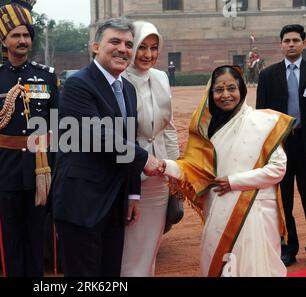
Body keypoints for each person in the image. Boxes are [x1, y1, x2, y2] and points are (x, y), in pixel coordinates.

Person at [157, 65, 293, 276]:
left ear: (242, 90)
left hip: (255, 208)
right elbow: (194, 169)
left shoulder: (263, 122)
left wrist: (234, 181)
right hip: (219, 207)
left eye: (232, 88)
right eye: (219, 90)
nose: (226, 95)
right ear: (211, 93)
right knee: (220, 264)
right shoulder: (206, 128)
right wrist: (164, 166)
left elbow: (278, 169)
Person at [51, 17, 160, 277]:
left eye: (128, 44)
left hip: (115, 202)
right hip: (81, 203)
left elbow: (128, 139)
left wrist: (133, 193)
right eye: (115, 42)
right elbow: (98, 135)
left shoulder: (128, 90)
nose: (123, 49)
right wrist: (146, 160)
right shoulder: (78, 84)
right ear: (96, 46)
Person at [0, 0, 58, 277]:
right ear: (4, 39)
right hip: (4, 169)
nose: (22, 40)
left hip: (40, 168)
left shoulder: (47, 77)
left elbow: (56, 130)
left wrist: (56, 171)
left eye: (26, 35)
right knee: (10, 240)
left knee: (37, 239)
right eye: (15, 35)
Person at [120, 21, 179, 277]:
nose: (148, 54)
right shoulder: (120, 79)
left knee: (151, 247)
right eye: (142, 47)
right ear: (131, 48)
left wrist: (175, 172)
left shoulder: (161, 77)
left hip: (161, 176)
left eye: (154, 48)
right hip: (131, 175)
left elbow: (169, 128)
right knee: (129, 246)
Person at [256, 24, 306, 267]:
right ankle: (288, 247)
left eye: (296, 40)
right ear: (281, 44)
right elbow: (260, 114)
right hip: (281, 147)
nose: (291, 44)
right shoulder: (268, 75)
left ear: (304, 43)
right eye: (287, 40)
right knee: (282, 200)